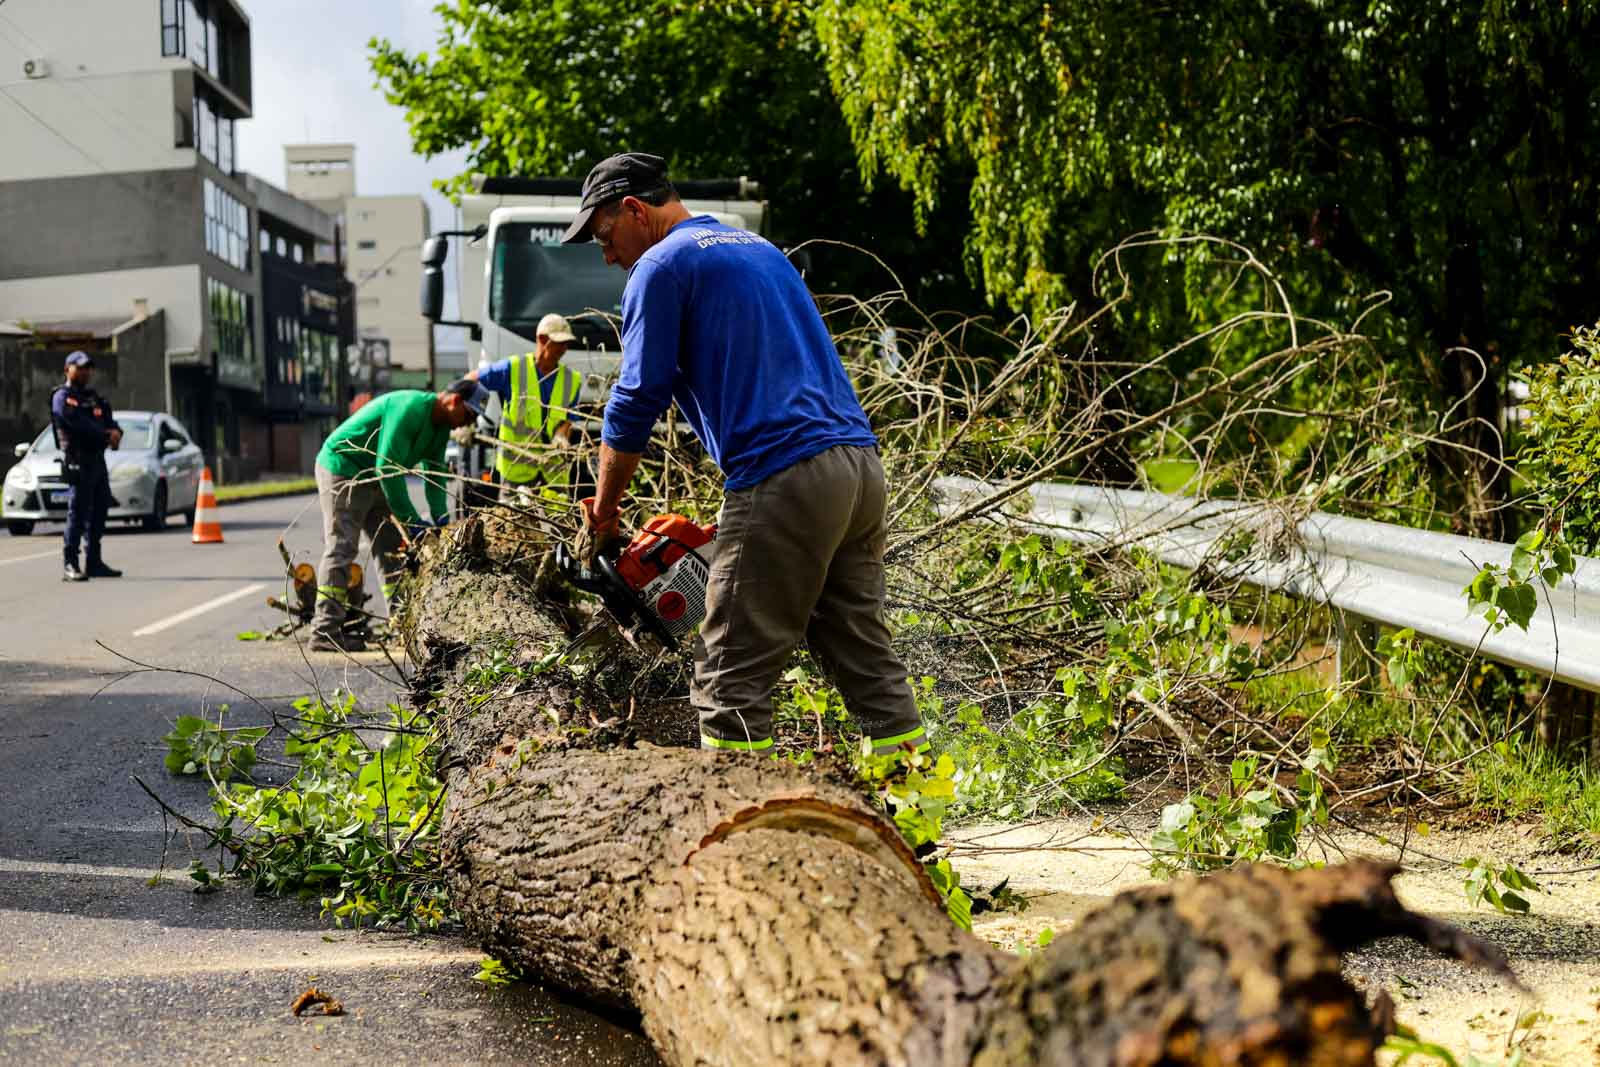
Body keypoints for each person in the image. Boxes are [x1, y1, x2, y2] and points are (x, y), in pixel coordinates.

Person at [564, 152, 928, 757]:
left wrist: (603, 515)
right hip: (858, 468)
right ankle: (917, 821)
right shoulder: (756, 247)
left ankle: (739, 840)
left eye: (605, 236)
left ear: (634, 209)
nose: (606, 254)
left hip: (784, 472)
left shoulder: (659, 266)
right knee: (864, 657)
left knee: (727, 674)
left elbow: (635, 398)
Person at [309, 379, 486, 651]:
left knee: (391, 549)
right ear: (454, 401)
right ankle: (325, 630)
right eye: (469, 415)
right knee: (343, 547)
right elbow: (387, 468)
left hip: (375, 477)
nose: (468, 423)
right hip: (344, 468)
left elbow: (434, 477)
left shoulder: (441, 429)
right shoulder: (410, 408)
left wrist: (440, 521)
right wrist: (412, 521)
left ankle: (401, 624)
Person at [466, 312, 584, 504]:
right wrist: (468, 419)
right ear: (542, 339)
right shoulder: (513, 369)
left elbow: (569, 416)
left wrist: (562, 434)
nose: (564, 348)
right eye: (559, 342)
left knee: (558, 526)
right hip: (516, 470)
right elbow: (471, 380)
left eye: (566, 343)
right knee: (514, 526)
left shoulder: (572, 380)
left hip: (554, 473)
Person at [50, 351, 122, 582]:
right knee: (78, 512)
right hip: (78, 460)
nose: (85, 372)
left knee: (100, 510)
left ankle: (94, 561)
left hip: (97, 461)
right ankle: (70, 563)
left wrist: (116, 433)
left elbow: (109, 421)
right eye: (79, 367)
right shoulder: (63, 397)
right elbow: (78, 424)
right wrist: (104, 434)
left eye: (88, 368)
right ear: (67, 369)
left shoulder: (94, 398)